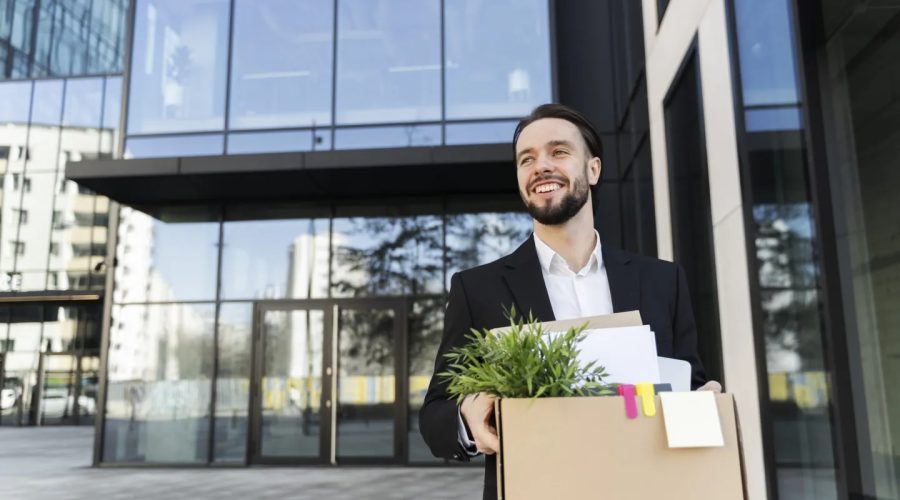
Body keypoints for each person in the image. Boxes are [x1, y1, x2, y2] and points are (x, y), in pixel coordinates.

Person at [419, 103, 721, 500]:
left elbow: (688, 390)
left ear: (593, 169)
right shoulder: (477, 289)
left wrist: (703, 407)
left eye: (558, 151)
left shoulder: (663, 281)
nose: (541, 165)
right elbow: (435, 414)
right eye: (527, 159)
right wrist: (466, 417)